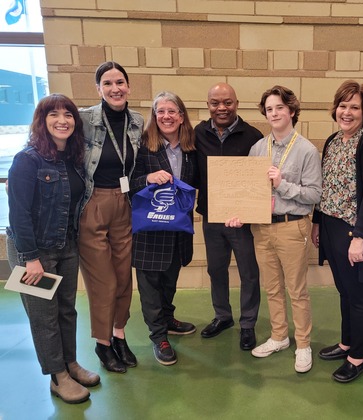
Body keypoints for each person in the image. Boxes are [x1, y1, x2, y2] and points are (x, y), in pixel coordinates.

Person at [6, 94, 99, 404]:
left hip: (66, 246)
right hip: (35, 251)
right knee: (44, 317)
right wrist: (30, 258)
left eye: (68, 114)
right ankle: (58, 377)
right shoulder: (27, 160)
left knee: (66, 311)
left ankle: (70, 363)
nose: (63, 120)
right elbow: (18, 214)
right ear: (42, 122)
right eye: (54, 115)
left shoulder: (71, 159)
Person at [227, 85, 322, 373]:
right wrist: (241, 214)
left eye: (280, 107)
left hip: (292, 227)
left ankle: (303, 344)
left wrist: (282, 184)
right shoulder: (258, 148)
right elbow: (250, 190)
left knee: (297, 290)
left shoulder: (306, 149)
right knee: (272, 288)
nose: (275, 113)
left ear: (291, 111)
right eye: (269, 109)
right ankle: (279, 336)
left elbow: (315, 194)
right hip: (262, 228)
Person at [312, 80, 363, 383]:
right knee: (344, 290)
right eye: (343, 106)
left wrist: (359, 237)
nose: (347, 112)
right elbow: (326, 187)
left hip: (356, 231)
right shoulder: (333, 140)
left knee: (359, 294)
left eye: (354, 107)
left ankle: (358, 357)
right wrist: (317, 222)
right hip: (331, 226)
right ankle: (347, 343)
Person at [78, 61, 144, 373]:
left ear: (128, 86)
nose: (115, 88)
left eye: (120, 82)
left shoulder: (137, 121)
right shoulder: (84, 119)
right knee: (101, 280)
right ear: (99, 89)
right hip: (94, 201)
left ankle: (119, 335)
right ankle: (101, 343)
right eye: (107, 83)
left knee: (122, 275)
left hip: (125, 202)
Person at [130, 91, 198, 366]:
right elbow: (126, 182)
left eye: (172, 111)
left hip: (178, 230)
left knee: (170, 281)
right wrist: (147, 177)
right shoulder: (142, 146)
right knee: (150, 287)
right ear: (154, 117)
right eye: (161, 112)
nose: (167, 116)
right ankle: (159, 336)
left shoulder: (191, 149)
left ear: (181, 117)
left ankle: (168, 319)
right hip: (150, 230)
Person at [194, 83, 262, 350]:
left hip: (242, 220)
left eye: (227, 102)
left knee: (249, 272)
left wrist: (249, 211)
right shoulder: (198, 133)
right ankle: (222, 316)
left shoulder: (253, 136)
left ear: (237, 103)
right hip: (211, 217)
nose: (221, 108)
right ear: (208, 104)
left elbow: (259, 181)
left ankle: (247, 324)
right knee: (216, 269)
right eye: (215, 103)